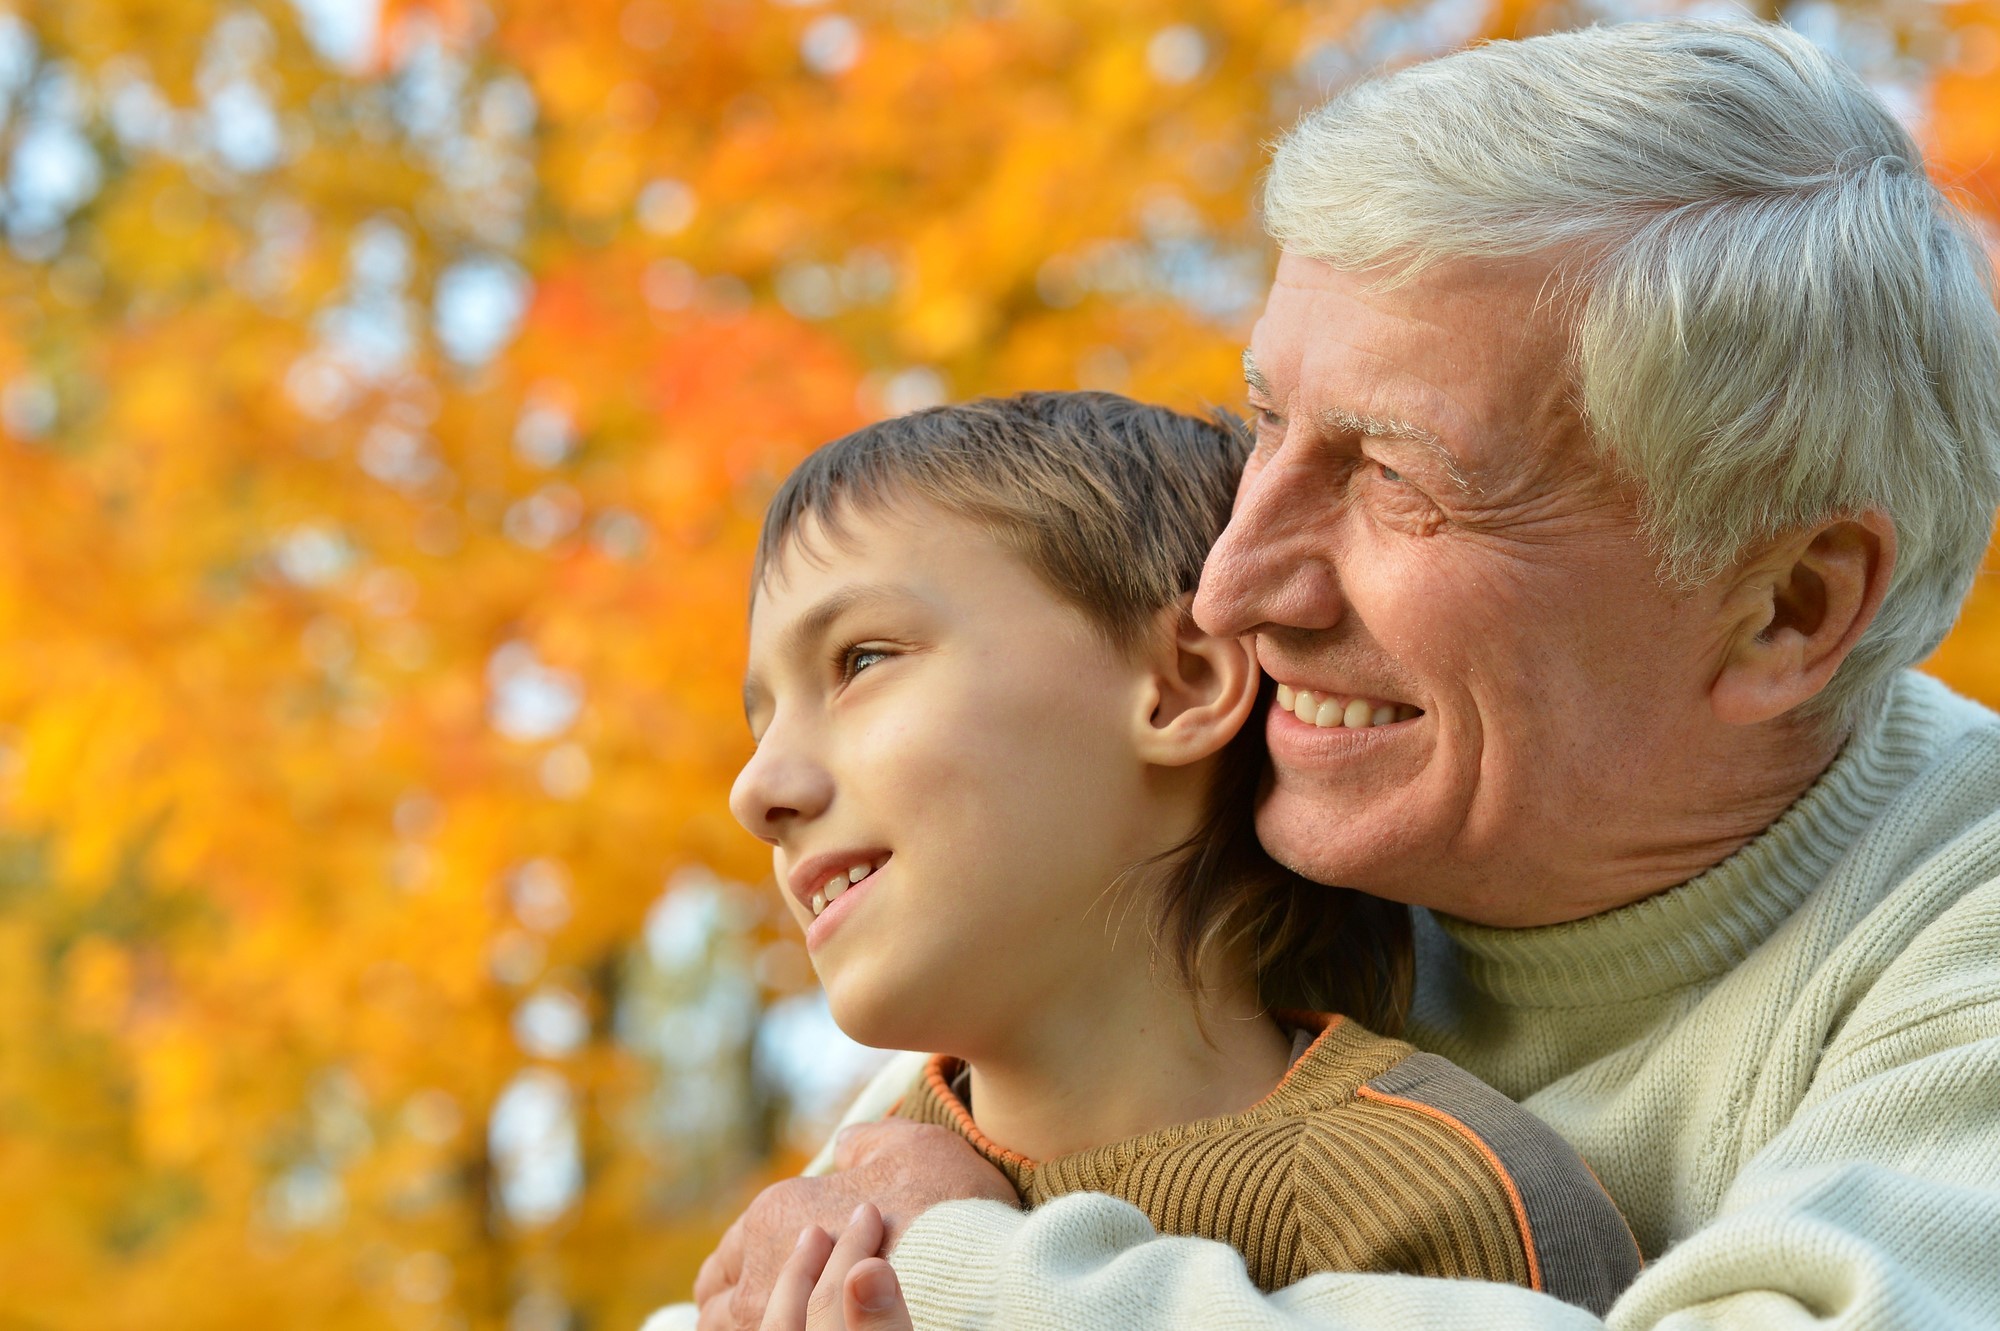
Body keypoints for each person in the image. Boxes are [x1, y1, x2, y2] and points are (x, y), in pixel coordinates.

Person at [685, 18, 2000, 1331]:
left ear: (1788, 604)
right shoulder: (1172, 865)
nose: (1233, 581)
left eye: (1395, 478)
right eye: (1265, 422)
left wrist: (973, 1268)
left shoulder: (1959, 927)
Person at [659, 392, 1641, 1331]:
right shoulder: (827, 1218)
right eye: (761, 719)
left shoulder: (1437, 1193)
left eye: (861, 658)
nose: (756, 789)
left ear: (1179, 685)